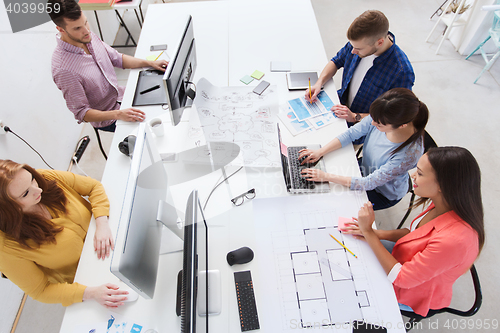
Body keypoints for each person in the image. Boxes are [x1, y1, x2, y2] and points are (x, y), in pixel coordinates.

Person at [342, 147, 485, 317]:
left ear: (443, 185)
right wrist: (376, 234)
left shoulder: (455, 241)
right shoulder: (444, 202)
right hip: (404, 258)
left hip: (410, 292)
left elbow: (402, 278)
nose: (412, 176)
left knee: (349, 288)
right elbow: (413, 233)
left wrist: (370, 233)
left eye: (420, 173)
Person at [0, 160, 129, 307]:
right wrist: (91, 293)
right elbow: (41, 290)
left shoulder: (45, 178)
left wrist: (102, 223)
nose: (38, 190)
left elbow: (93, 187)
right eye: (26, 193)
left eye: (32, 180)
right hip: (90, 279)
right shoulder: (6, 248)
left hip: (113, 236)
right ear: (7, 208)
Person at [48, 0, 169, 132]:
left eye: (85, 22)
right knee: (157, 127)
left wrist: (150, 63)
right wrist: (119, 114)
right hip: (110, 118)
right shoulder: (64, 70)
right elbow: (82, 113)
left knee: (165, 99)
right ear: (61, 29)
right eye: (77, 28)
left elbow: (117, 58)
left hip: (123, 96)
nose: (86, 30)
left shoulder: (87, 36)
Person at [299, 88, 428, 210]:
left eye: (379, 124)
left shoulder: (408, 154)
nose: (372, 123)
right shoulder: (383, 115)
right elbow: (351, 134)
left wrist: (325, 176)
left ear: (401, 126)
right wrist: (320, 152)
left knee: (332, 203)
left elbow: (368, 183)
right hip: (365, 168)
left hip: (381, 192)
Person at [306, 10, 414, 127]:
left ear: (379, 42)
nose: (353, 51)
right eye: (352, 46)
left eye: (358, 49)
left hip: (362, 129)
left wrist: (355, 116)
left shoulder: (402, 72)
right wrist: (319, 83)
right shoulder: (358, 44)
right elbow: (336, 61)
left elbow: (394, 115)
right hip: (340, 107)